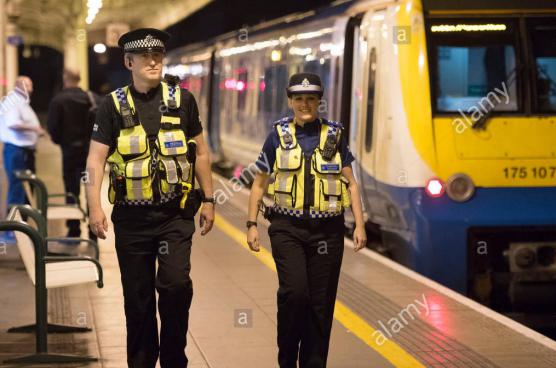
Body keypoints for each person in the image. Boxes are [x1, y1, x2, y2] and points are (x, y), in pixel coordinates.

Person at [85, 28, 215, 368]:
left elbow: (201, 152)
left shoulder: (183, 100)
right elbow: (95, 160)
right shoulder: (111, 106)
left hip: (174, 216)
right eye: (144, 56)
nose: (153, 60)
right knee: (138, 299)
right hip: (131, 219)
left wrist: (210, 199)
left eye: (158, 54)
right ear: (129, 62)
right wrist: (94, 207)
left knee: (175, 287)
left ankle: (174, 359)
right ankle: (141, 361)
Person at [246, 72, 367, 368]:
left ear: (319, 101)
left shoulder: (334, 136)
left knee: (321, 304)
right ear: (290, 101)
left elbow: (351, 184)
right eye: (299, 98)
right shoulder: (277, 136)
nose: (305, 104)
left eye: (311, 98)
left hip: (328, 232)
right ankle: (287, 358)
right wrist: (251, 225)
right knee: (295, 293)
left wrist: (360, 225)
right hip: (287, 229)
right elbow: (259, 183)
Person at [47, 68, 101, 237]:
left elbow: (53, 128)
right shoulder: (92, 98)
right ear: (79, 79)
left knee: (71, 191)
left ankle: (74, 229)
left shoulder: (58, 100)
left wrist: (61, 141)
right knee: (91, 189)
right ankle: (94, 231)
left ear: (65, 78)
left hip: (70, 154)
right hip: (90, 154)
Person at [1, 76, 46, 241]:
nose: (31, 89)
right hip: (17, 151)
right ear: (18, 86)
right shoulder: (14, 102)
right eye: (28, 85)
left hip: (23, 151)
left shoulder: (21, 102)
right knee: (18, 190)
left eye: (31, 85)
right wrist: (35, 128)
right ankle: (12, 231)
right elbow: (13, 123)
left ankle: (22, 230)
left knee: (25, 190)